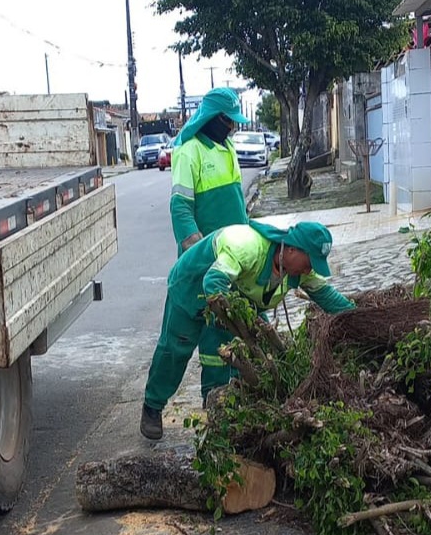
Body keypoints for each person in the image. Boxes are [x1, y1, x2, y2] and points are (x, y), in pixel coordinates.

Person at [140, 220, 355, 440]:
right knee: (176, 350)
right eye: (310, 262)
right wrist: (237, 321)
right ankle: (152, 406)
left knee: (231, 356)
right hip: (192, 284)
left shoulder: (298, 271)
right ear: (291, 249)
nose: (310, 269)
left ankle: (218, 410)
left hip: (233, 298)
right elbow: (214, 282)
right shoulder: (247, 246)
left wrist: (358, 315)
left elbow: (328, 298)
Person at [170, 87, 249, 254]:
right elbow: (180, 206)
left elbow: (236, 200)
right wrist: (198, 252)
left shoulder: (228, 146)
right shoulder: (189, 150)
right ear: (212, 117)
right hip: (208, 258)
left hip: (236, 251)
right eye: (228, 120)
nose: (232, 126)